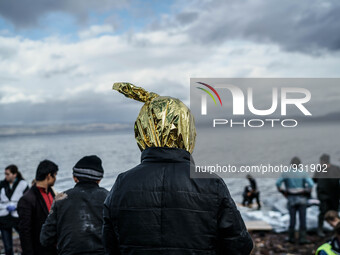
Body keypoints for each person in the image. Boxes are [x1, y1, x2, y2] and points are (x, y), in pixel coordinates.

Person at [102, 83, 253, 255]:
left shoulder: (123, 183)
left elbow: (109, 244)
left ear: (143, 131)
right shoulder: (211, 183)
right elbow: (240, 245)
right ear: (187, 130)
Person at [40, 155, 109, 255]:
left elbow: (45, 238)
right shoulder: (109, 197)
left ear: (74, 178)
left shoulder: (61, 199)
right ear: (99, 179)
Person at [17, 160, 58, 255]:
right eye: (55, 175)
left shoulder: (51, 192)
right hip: (39, 249)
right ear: (49, 176)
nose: (55, 178)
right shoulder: (27, 199)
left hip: (53, 248)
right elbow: (24, 231)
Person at [276, 157, 314, 244]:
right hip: (302, 198)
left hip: (291, 198)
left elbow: (278, 183)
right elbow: (311, 184)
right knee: (302, 219)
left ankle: (291, 238)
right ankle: (303, 238)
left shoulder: (286, 173)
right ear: (299, 164)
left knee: (292, 219)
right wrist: (307, 191)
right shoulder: (303, 173)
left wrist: (282, 192)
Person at [0, 165, 29, 255]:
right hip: (4, 218)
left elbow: (27, 200)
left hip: (17, 217)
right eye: (5, 174)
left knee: (25, 242)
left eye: (8, 174)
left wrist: (16, 207)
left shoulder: (23, 184)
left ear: (14, 174)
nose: (6, 176)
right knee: (8, 247)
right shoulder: (1, 185)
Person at [313, 154, 340, 237]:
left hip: (332, 195)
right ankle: (321, 229)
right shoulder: (334, 169)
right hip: (327, 195)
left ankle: (335, 229)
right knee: (324, 213)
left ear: (323, 161)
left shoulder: (333, 169)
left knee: (332, 213)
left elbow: (314, 180)